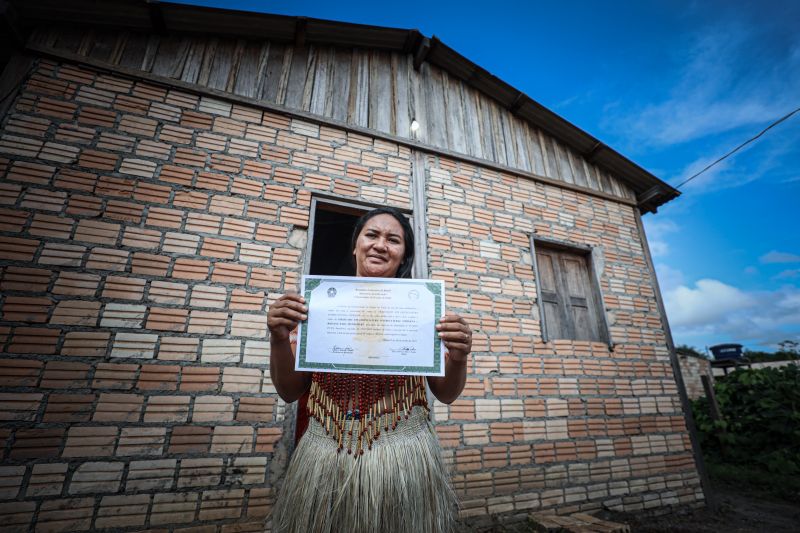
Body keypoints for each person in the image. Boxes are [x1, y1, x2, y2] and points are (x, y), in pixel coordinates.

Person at [268, 207, 473, 533]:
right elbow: (289, 391)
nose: (380, 245)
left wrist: (459, 356)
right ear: (356, 246)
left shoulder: (422, 310)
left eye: (394, 240)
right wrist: (279, 338)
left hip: (402, 455)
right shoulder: (318, 306)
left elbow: (446, 394)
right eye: (372, 235)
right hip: (326, 450)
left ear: (404, 256)